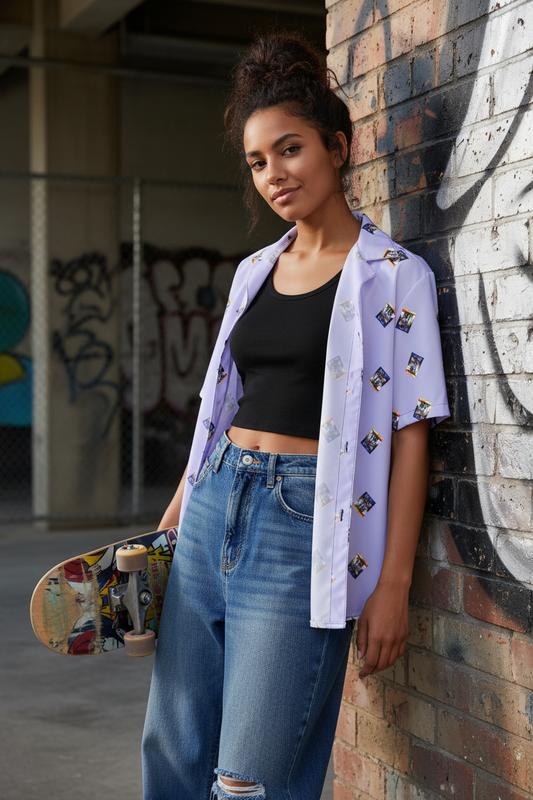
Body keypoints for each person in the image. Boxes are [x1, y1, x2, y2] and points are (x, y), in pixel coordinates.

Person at [142, 32, 449, 800]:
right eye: (256, 161)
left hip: (303, 522)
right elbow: (218, 408)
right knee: (173, 749)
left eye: (289, 150)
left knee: (248, 780)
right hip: (214, 500)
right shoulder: (253, 271)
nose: (272, 174)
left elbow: (413, 436)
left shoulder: (392, 278)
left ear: (336, 148)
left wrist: (390, 584)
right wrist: (169, 530)